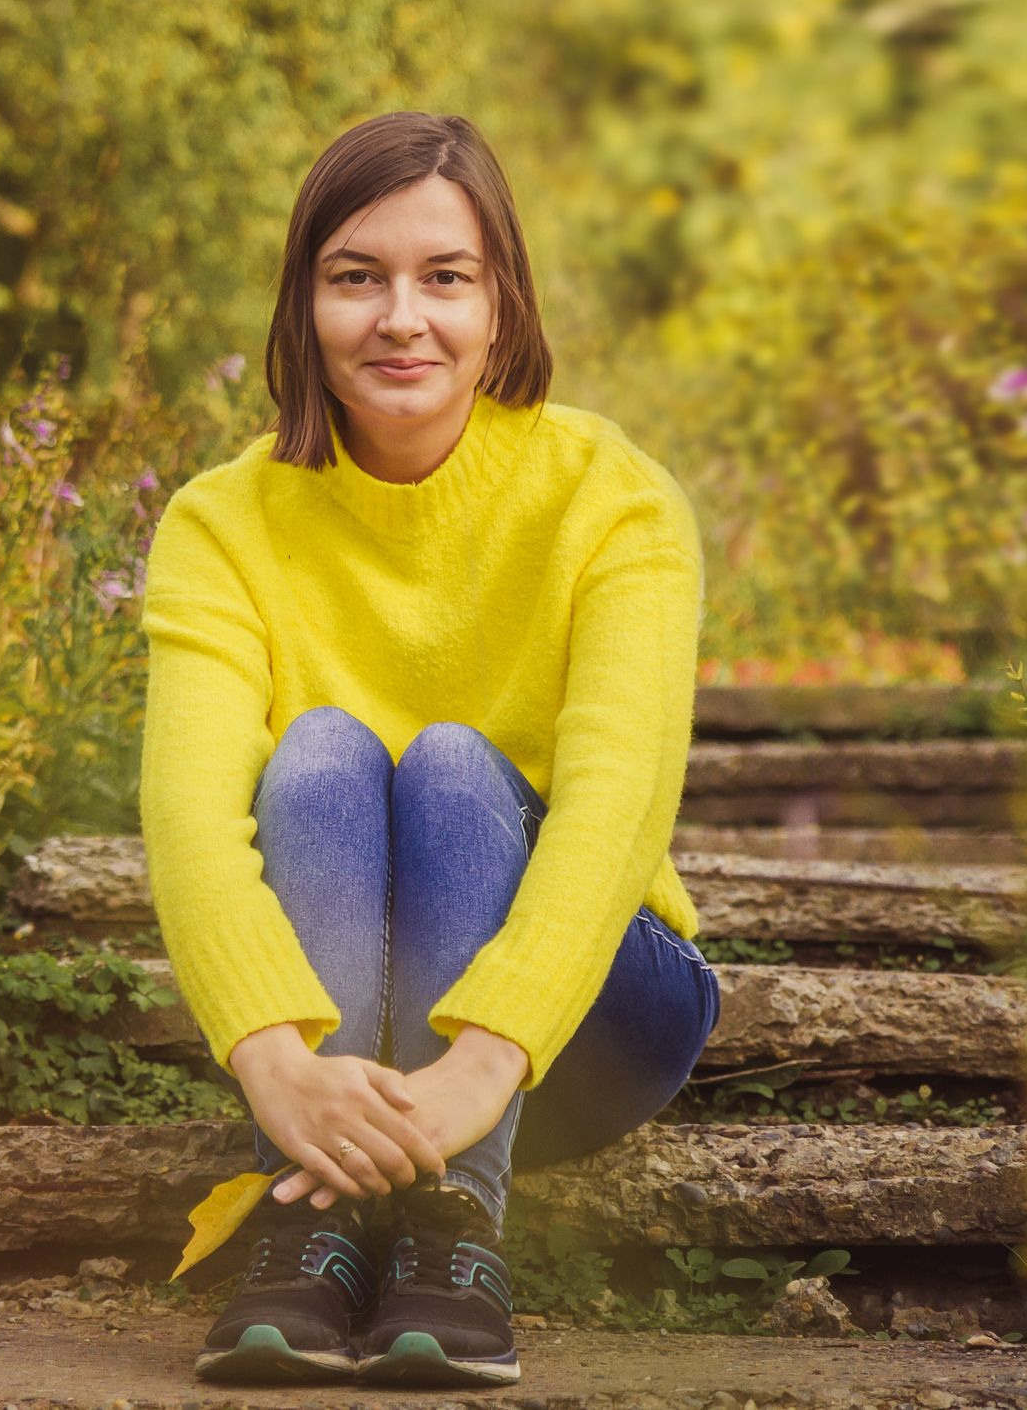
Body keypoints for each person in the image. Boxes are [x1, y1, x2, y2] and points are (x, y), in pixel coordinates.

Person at [137, 111, 722, 1388]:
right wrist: (275, 1061)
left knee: (457, 762)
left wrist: (482, 1067)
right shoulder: (220, 524)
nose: (402, 315)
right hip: (319, 1051)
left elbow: (616, 806)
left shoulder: (611, 499)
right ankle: (320, 1220)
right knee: (321, 755)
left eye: (444, 277)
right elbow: (186, 817)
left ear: (501, 307)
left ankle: (453, 1219)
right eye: (357, 276)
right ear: (303, 307)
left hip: (588, 1028)